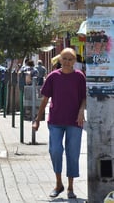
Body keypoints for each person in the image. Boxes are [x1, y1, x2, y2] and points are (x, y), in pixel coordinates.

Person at [32, 48, 86, 199]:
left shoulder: (79, 77)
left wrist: (82, 110)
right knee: (55, 151)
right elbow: (44, 100)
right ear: (60, 60)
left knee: (73, 154)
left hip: (75, 121)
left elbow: (83, 97)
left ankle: (70, 187)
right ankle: (58, 184)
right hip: (55, 120)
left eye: (71, 59)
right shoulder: (53, 77)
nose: (68, 62)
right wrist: (37, 120)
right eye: (65, 59)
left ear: (74, 61)